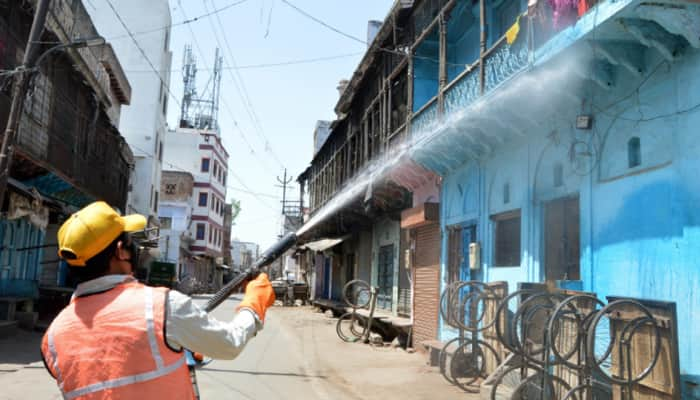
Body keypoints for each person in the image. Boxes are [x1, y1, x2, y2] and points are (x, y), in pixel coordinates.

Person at [40, 201, 275, 399]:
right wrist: (253, 305)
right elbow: (229, 343)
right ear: (121, 251)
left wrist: (174, 348)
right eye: (130, 240)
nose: (136, 247)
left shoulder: (52, 337)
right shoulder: (162, 306)